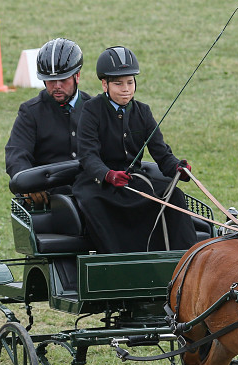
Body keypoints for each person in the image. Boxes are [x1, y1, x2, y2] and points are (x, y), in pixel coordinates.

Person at [72, 46, 198, 254]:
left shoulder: (143, 111)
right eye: (118, 83)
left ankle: (186, 259)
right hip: (98, 185)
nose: (126, 89)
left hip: (132, 181)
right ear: (105, 84)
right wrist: (107, 175)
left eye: (130, 82)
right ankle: (116, 263)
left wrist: (177, 168)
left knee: (174, 195)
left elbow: (161, 152)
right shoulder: (91, 110)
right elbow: (88, 154)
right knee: (94, 204)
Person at [5, 38, 91, 202]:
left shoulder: (95, 109)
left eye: (63, 79)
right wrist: (29, 184)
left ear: (77, 76)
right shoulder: (30, 112)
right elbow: (16, 155)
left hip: (91, 194)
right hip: (48, 199)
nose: (57, 86)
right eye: (51, 80)